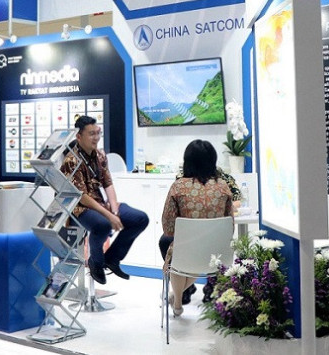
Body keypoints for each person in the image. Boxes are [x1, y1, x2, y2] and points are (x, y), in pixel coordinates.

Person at [59, 115, 149, 285]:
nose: (96, 137)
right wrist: (110, 216)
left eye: (98, 133)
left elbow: (108, 183)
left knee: (140, 219)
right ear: (79, 136)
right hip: (79, 208)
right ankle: (96, 262)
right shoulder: (71, 160)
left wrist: (114, 210)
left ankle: (112, 258)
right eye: (91, 134)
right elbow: (82, 197)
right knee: (103, 225)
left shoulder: (100, 155)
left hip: (100, 204)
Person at [160, 140, 233, 317]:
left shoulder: (178, 187)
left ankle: (177, 303)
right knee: (198, 253)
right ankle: (176, 299)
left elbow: (168, 227)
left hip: (186, 254)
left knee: (179, 255)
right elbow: (230, 226)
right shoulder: (223, 187)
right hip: (217, 254)